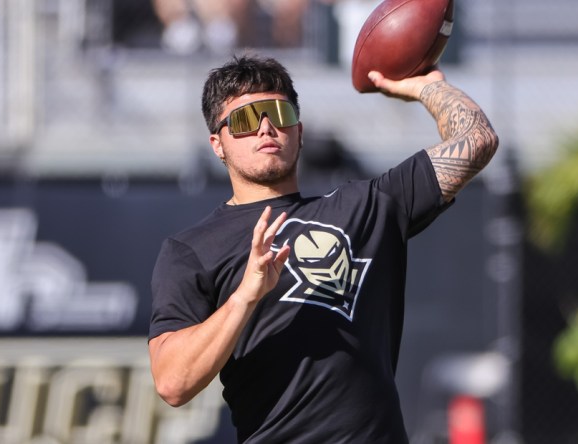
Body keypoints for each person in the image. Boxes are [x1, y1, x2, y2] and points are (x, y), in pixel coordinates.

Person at [148, 54, 498, 443]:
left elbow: (477, 140)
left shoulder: (364, 207)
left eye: (278, 113)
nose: (266, 127)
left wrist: (426, 86)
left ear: (299, 130)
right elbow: (173, 383)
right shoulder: (191, 250)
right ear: (218, 144)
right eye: (245, 120)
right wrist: (246, 295)